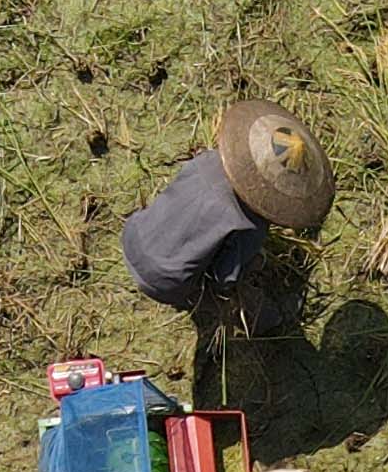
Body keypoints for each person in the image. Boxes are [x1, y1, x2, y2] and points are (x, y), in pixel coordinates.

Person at [120, 100, 333, 339]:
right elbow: (225, 278)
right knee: (243, 284)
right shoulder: (251, 223)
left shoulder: (208, 159)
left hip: (133, 236)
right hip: (164, 282)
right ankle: (269, 322)